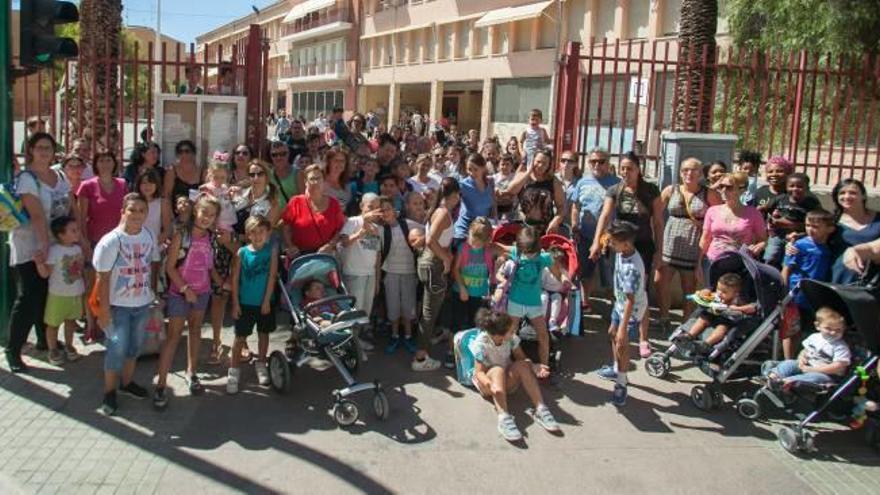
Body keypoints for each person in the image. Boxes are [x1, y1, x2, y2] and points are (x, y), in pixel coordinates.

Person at [590, 151, 663, 357]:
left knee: (642, 294)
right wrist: (597, 242)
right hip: (621, 247)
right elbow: (604, 216)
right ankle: (620, 329)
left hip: (644, 246)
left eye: (629, 168)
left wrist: (659, 251)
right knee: (622, 290)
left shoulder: (650, 190)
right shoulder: (615, 190)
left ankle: (643, 339)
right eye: (622, 168)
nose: (625, 172)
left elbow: (658, 222)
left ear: (638, 169)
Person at [93, 193, 159, 415]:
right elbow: (102, 278)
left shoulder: (148, 235)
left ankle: (127, 382)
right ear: (123, 211)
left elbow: (151, 265)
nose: (137, 215)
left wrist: (151, 296)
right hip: (117, 307)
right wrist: (104, 311)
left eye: (142, 210)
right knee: (116, 349)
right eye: (132, 210)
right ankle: (109, 392)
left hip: (141, 304)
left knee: (134, 347)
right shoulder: (111, 241)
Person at [154, 195, 220, 409]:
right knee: (173, 337)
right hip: (179, 294)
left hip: (203, 292)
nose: (206, 218)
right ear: (195, 212)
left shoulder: (211, 237)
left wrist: (223, 283)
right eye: (204, 213)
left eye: (212, 215)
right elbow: (170, 267)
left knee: (195, 330)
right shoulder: (182, 235)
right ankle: (161, 384)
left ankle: (192, 373)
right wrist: (185, 289)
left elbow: (209, 267)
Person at [468, 309, 560, 442]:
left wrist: (533, 366)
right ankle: (503, 417)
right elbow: (479, 373)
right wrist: (490, 384)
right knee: (498, 369)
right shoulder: (481, 344)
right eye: (510, 331)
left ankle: (540, 408)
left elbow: (521, 359)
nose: (514, 332)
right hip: (488, 385)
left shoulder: (510, 339)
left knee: (522, 365)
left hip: (505, 382)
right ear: (500, 335)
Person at [656, 158, 717, 325]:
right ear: (680, 172)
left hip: (693, 245)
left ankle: (686, 323)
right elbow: (657, 215)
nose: (689, 173)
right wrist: (659, 240)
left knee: (688, 287)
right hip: (670, 243)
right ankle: (664, 317)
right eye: (685, 170)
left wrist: (704, 225)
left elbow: (719, 217)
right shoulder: (671, 190)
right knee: (660, 282)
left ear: (700, 173)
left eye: (694, 170)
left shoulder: (708, 193)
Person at [596, 221, 647, 407]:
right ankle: (616, 368)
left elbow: (631, 301)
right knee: (611, 334)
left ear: (625, 244)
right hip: (619, 305)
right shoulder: (622, 252)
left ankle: (622, 383)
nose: (610, 244)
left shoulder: (631, 268)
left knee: (622, 345)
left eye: (613, 242)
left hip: (630, 312)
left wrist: (623, 329)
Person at [228, 215, 279, 394]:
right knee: (239, 337)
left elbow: (272, 276)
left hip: (264, 303)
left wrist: (266, 300)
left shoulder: (271, 251)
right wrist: (235, 303)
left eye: (261, 232)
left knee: (263, 334)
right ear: (248, 234)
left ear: (268, 233)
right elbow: (234, 279)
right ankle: (233, 371)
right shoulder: (242, 252)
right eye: (253, 232)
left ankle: (261, 364)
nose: (258, 236)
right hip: (245, 302)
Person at [413, 178, 460, 371]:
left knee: (428, 311)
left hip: (429, 263)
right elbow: (431, 240)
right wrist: (446, 259)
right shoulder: (443, 213)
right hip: (434, 265)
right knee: (429, 314)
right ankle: (420, 357)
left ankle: (422, 349)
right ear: (455, 195)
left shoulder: (438, 211)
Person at [496, 226, 552, 379]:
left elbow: (557, 268)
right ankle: (505, 363)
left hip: (535, 304)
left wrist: (565, 279)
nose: (529, 256)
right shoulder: (516, 252)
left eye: (533, 253)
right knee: (509, 335)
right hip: (515, 303)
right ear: (519, 247)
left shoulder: (543, 258)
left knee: (544, 336)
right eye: (526, 253)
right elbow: (497, 247)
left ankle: (544, 367)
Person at [569, 147, 620, 310]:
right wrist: (575, 226)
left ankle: (615, 304)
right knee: (585, 270)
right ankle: (585, 302)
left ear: (608, 162)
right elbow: (576, 207)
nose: (597, 165)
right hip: (585, 234)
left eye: (601, 161)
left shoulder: (617, 183)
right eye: (593, 161)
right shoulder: (582, 182)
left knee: (611, 272)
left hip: (610, 237)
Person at [780, 209, 836, 358]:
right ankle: (787, 360)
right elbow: (786, 269)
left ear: (830, 229)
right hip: (796, 293)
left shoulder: (829, 247)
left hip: (814, 296)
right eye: (807, 225)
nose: (810, 229)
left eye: (816, 226)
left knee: (807, 330)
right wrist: (784, 292)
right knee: (791, 330)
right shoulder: (799, 245)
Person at [338, 193, 384, 355]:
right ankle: (349, 345)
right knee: (353, 312)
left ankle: (356, 341)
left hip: (370, 275)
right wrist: (360, 233)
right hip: (353, 273)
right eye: (371, 206)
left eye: (377, 207)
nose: (374, 211)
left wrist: (377, 280)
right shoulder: (352, 222)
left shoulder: (378, 229)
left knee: (365, 312)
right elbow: (343, 242)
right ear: (362, 206)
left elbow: (377, 256)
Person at [699, 172, 766, 281]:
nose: (724, 191)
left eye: (729, 187)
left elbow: (763, 239)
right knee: (711, 296)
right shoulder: (712, 211)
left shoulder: (753, 213)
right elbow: (705, 238)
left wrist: (759, 246)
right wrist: (698, 264)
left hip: (740, 264)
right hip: (713, 262)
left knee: (736, 297)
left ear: (742, 190)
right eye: (721, 187)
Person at [37, 216, 85, 365]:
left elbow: (80, 269)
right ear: (61, 234)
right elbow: (46, 273)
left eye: (77, 229)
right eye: (73, 230)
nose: (77, 232)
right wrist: (39, 263)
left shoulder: (77, 249)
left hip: (75, 294)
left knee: (71, 322)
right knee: (53, 324)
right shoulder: (54, 251)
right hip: (58, 295)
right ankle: (53, 349)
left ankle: (69, 346)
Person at [764, 307, 850, 387]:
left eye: (838, 330)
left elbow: (838, 367)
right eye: (828, 328)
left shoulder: (841, 347)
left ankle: (786, 382)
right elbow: (805, 351)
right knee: (789, 363)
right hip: (807, 365)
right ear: (817, 326)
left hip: (825, 374)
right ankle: (773, 377)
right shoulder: (814, 337)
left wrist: (813, 369)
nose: (833, 333)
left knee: (815, 378)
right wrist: (801, 358)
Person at [674, 273, 757, 352]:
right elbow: (707, 295)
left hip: (726, 320)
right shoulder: (716, 295)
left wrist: (738, 308)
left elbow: (752, 308)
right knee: (702, 319)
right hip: (712, 315)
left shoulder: (737, 300)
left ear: (735, 293)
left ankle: (706, 344)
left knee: (721, 328)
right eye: (718, 289)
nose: (719, 293)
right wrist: (703, 294)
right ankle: (689, 335)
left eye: (724, 292)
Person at [380, 196, 420, 354]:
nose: (385, 212)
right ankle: (395, 335)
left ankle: (409, 336)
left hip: (409, 272)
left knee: (408, 306)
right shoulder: (381, 229)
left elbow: (427, 230)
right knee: (393, 306)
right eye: (381, 210)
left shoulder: (408, 225)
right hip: (390, 273)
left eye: (388, 209)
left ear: (395, 211)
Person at [281, 164, 345, 256]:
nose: (315, 182)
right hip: (300, 256)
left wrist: (330, 245)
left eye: (318, 178)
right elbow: (286, 227)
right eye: (312, 179)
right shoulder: (295, 202)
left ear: (323, 180)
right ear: (305, 182)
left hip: (325, 256)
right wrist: (290, 246)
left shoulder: (334, 204)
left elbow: (340, 229)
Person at [763, 173, 820, 267]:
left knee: (789, 262)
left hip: (798, 237)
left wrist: (801, 233)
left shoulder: (811, 203)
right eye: (791, 186)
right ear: (786, 187)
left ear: (807, 188)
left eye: (800, 186)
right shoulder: (781, 199)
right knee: (770, 258)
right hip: (778, 235)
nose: (795, 189)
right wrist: (770, 223)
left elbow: (817, 220)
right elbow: (766, 210)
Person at [829, 179, 880, 284]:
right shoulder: (831, 221)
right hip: (839, 279)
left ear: (864, 196)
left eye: (853, 193)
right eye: (842, 193)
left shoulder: (878, 219)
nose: (847, 197)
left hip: (873, 282)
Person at [451, 218, 494, 343]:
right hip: (460, 292)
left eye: (479, 242)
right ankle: (452, 350)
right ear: (469, 233)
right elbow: (456, 269)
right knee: (456, 324)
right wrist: (462, 287)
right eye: (473, 240)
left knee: (475, 325)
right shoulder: (463, 248)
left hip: (478, 294)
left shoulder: (488, 250)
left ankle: (471, 351)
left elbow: (504, 251)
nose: (475, 244)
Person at [507, 148, 566, 235]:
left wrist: (556, 221)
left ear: (549, 165)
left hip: (546, 229)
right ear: (532, 161)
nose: (540, 165)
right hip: (523, 227)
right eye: (538, 161)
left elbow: (561, 207)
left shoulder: (554, 181)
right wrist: (528, 173)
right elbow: (511, 191)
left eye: (545, 163)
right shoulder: (522, 175)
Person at [134, 170, 171, 290]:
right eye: (143, 183)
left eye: (151, 183)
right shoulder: (133, 202)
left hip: (155, 248)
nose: (147, 186)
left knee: (152, 283)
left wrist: (152, 246)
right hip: (134, 249)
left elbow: (167, 229)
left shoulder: (162, 202)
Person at [452, 153, 495, 249]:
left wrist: (494, 220)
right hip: (463, 234)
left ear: (483, 168)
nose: (471, 173)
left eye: (475, 169)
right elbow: (450, 200)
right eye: (469, 169)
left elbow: (493, 202)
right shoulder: (463, 185)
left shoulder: (490, 182)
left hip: (482, 233)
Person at [233, 160, 281, 241]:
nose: (256, 178)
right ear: (248, 177)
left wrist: (233, 237)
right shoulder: (239, 194)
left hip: (255, 249)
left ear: (266, 177)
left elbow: (264, 236)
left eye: (260, 174)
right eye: (252, 175)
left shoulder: (273, 204)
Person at [542, 247, 572, 334]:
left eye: (560, 260)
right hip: (545, 290)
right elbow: (541, 282)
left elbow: (566, 281)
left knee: (557, 299)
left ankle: (552, 320)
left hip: (557, 292)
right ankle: (542, 319)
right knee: (544, 298)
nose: (557, 262)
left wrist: (566, 282)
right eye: (556, 260)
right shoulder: (546, 270)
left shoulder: (562, 271)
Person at [268, 140, 302, 205]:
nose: (279, 157)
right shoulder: (268, 174)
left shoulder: (298, 174)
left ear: (288, 154)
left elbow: (303, 200)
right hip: (274, 214)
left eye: (283, 154)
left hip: (292, 214)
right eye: (274, 155)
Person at [493, 153, 519, 221]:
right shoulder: (494, 178)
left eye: (507, 164)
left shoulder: (515, 177)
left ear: (512, 166)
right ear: (498, 166)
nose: (505, 167)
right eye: (502, 164)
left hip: (511, 208)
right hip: (497, 208)